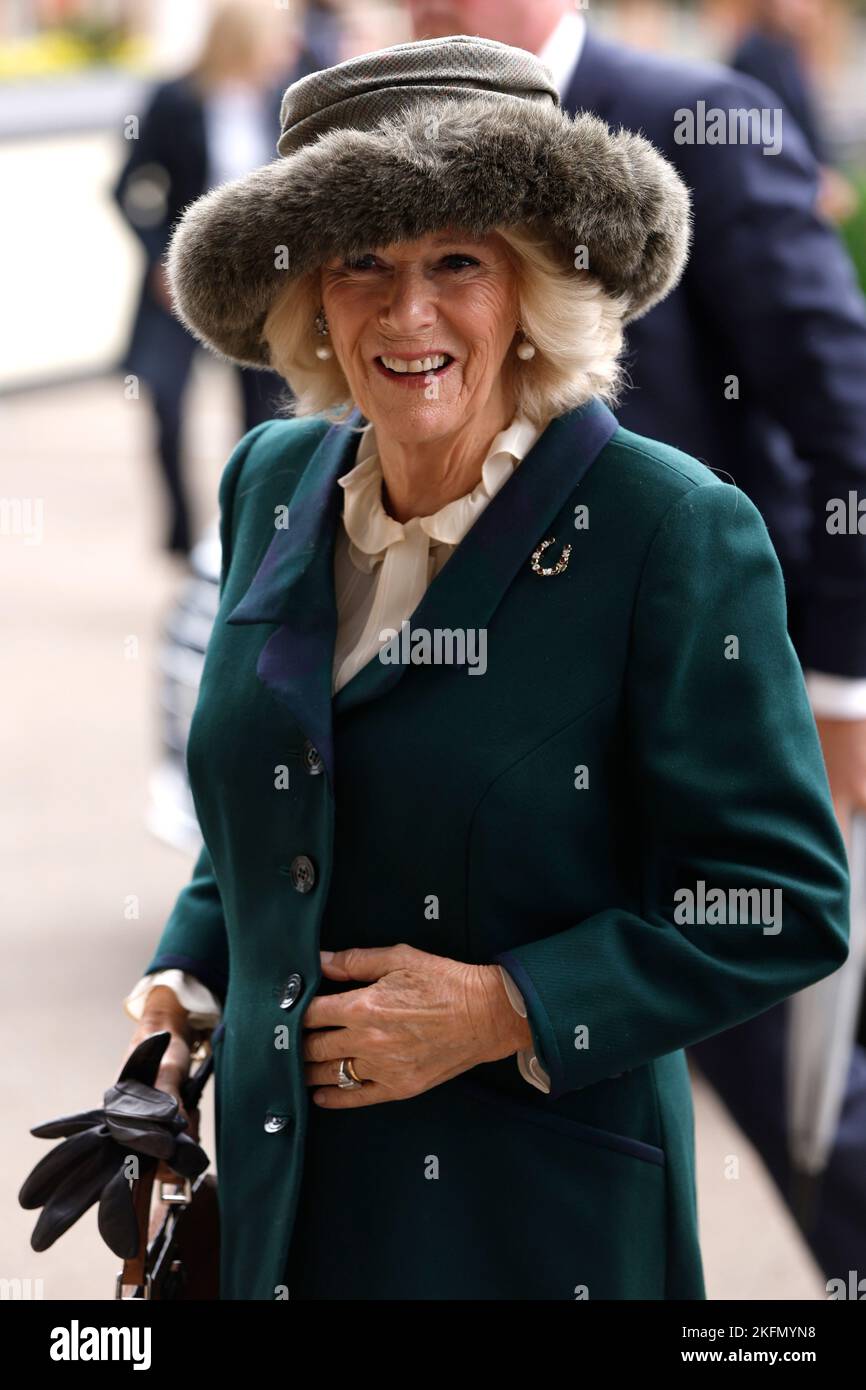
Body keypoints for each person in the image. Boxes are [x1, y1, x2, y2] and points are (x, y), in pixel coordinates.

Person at [121, 37, 848, 1300]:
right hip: (286, 1211)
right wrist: (191, 975)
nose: (408, 315)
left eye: (456, 260)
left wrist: (502, 1007)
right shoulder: (269, 483)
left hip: (527, 1232)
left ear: (532, 287)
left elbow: (781, 897)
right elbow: (277, 776)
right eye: (363, 263)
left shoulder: (666, 528)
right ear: (310, 297)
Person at [404, 0, 866, 1285]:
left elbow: (845, 421)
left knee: (803, 1096)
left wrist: (834, 690)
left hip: (686, 721)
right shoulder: (397, 116)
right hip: (486, 753)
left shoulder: (697, 122)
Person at [111, 0, 324, 554]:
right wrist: (159, 257)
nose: (288, 49)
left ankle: (247, 529)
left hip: (261, 280)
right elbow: (128, 188)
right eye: (277, 38)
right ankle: (182, 535)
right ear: (245, 40)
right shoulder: (174, 98)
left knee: (263, 411)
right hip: (174, 282)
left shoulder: (287, 96)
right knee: (165, 401)